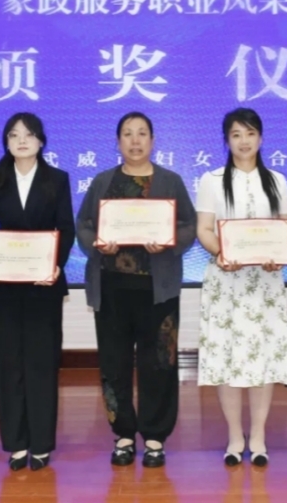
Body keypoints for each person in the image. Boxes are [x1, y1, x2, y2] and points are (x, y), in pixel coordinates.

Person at [76, 112, 197, 469]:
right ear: (118, 142)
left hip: (158, 290)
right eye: (127, 134)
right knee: (113, 363)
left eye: (142, 133)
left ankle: (155, 436)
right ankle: (124, 435)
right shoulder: (103, 181)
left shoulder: (170, 181)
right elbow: (84, 224)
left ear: (153, 141)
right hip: (112, 289)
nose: (135, 140)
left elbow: (188, 224)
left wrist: (168, 241)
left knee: (159, 362)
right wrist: (99, 244)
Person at [195, 107, 287, 468]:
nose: (244, 141)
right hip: (226, 281)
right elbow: (204, 229)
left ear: (261, 138)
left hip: (264, 283)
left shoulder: (277, 181)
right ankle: (235, 436)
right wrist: (223, 253)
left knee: (262, 358)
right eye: (236, 134)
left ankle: (259, 436)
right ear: (226, 140)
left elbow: (286, 230)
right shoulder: (211, 180)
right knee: (228, 358)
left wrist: (278, 257)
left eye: (250, 133)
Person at [0, 113, 75, 472]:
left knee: (41, 364)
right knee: (8, 365)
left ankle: (41, 444)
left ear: (41, 141)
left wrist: (54, 265)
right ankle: (16, 444)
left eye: (29, 134)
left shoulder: (57, 179)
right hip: (3, 289)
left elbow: (66, 228)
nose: (21, 140)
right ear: (6, 142)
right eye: (14, 135)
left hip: (42, 287)